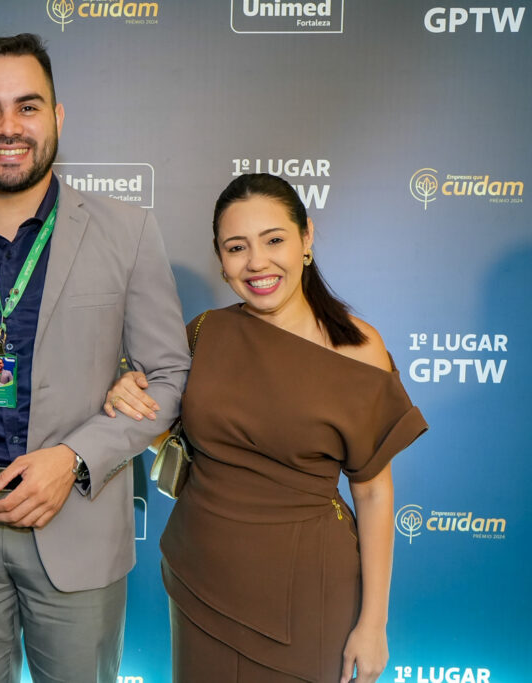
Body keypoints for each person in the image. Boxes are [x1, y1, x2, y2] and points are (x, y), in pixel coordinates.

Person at [0, 34, 190, 683]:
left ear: (57, 116)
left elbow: (168, 377)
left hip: (76, 511)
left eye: (27, 107)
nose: (7, 127)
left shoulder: (127, 230)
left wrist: (76, 456)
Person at [106, 173, 428, 683]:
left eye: (274, 240)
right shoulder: (205, 332)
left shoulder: (359, 347)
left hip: (308, 598)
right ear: (221, 259)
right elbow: (167, 438)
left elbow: (372, 493)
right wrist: (130, 399)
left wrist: (374, 623)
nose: (257, 262)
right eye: (237, 247)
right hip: (200, 580)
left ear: (306, 239)